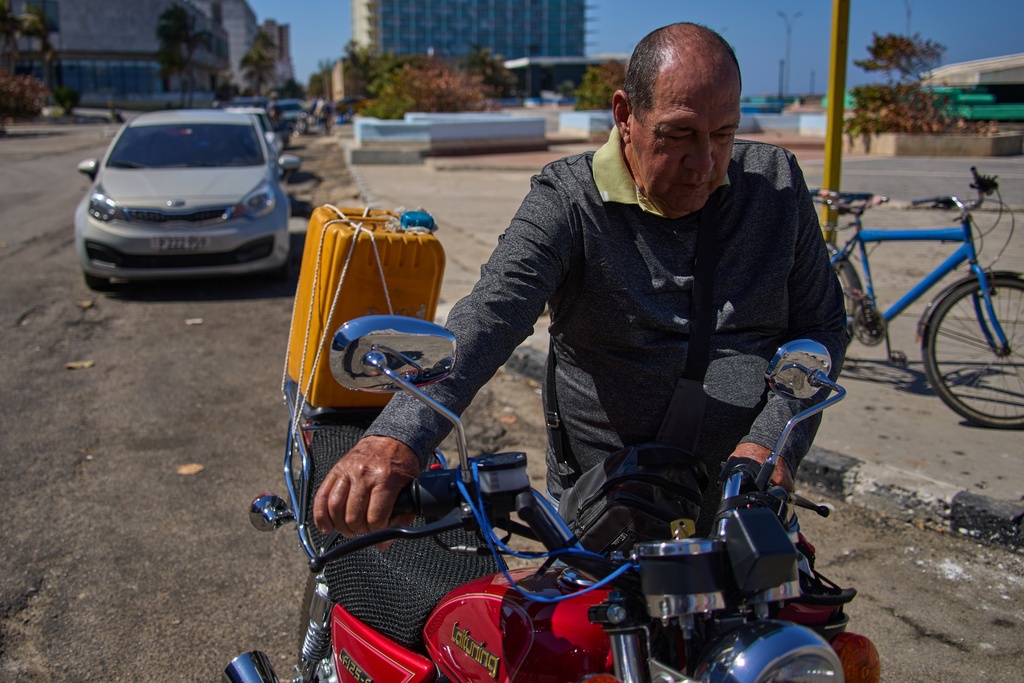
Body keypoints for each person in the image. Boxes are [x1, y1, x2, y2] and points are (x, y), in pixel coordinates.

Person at [313, 22, 846, 539]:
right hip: (606, 520)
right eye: (678, 134)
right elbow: (491, 316)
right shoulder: (568, 200)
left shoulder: (775, 185)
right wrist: (399, 436)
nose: (703, 162)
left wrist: (772, 443)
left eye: (723, 134)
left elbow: (821, 324)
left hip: (747, 512)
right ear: (625, 116)